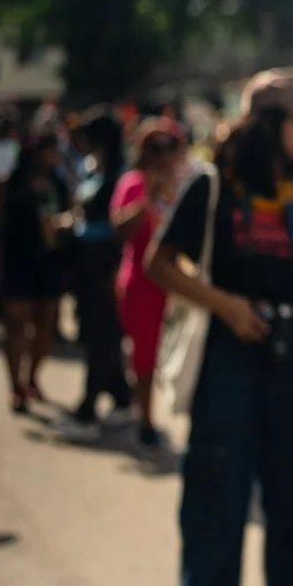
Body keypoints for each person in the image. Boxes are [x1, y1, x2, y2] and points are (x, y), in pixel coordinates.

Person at [145, 70, 293, 586]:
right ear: (269, 125)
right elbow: (160, 263)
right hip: (230, 357)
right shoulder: (213, 186)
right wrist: (223, 304)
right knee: (217, 507)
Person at [57, 110, 135, 440]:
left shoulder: (120, 175)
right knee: (94, 333)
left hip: (105, 268)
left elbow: (121, 230)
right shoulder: (92, 168)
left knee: (101, 337)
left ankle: (88, 409)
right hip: (84, 266)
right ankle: (122, 399)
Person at [110, 119, 185, 447]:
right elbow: (119, 230)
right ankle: (146, 418)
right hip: (141, 285)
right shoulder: (132, 183)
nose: (162, 155)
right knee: (144, 357)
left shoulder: (186, 184)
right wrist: (148, 201)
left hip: (179, 287)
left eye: (169, 146)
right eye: (154, 147)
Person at [0, 131, 73, 413]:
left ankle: (32, 377)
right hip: (16, 259)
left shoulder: (59, 184)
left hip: (49, 262)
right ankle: (16, 386)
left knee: (45, 324)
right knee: (16, 323)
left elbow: (70, 214)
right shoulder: (9, 184)